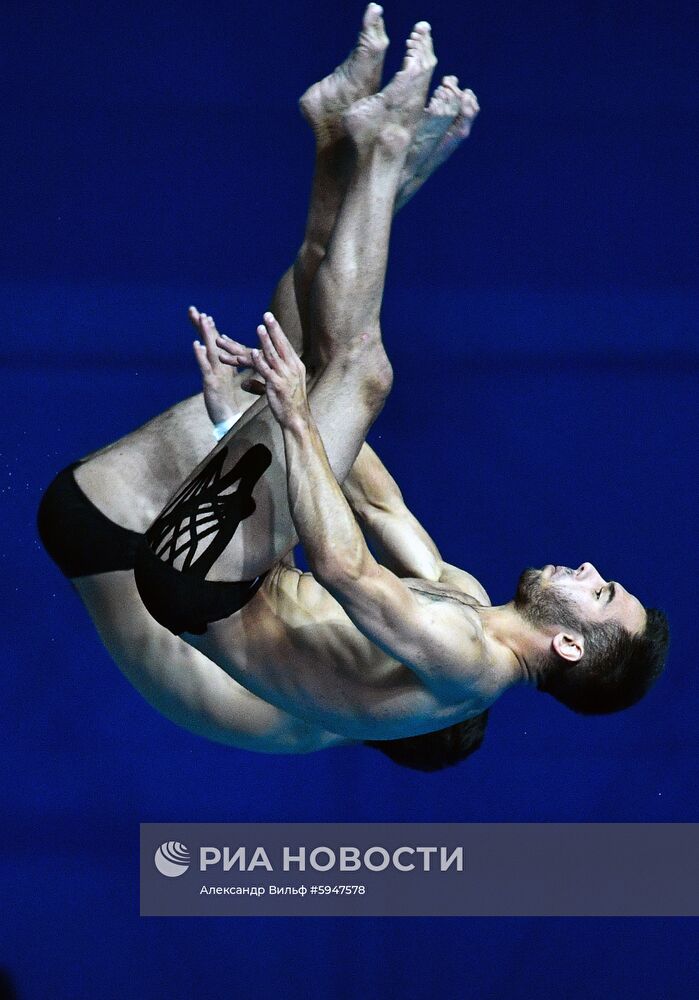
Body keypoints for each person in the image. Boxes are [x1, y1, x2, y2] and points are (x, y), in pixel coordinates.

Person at [133, 14, 669, 738]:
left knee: (363, 374)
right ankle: (333, 133)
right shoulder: (468, 600)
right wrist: (280, 402)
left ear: (568, 645)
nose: (584, 565)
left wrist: (296, 417)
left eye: (599, 590)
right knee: (326, 361)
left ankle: (384, 152)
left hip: (203, 585)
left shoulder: (465, 668)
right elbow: (379, 507)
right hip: (227, 566)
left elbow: (343, 568)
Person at [39, 7, 487, 769]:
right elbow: (375, 505)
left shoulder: (295, 719)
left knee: (331, 380)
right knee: (319, 379)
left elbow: (207, 604)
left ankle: (372, 171)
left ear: (399, 719)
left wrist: (234, 431)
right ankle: (343, 152)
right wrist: (276, 421)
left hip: (122, 539)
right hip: (182, 539)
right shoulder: (432, 632)